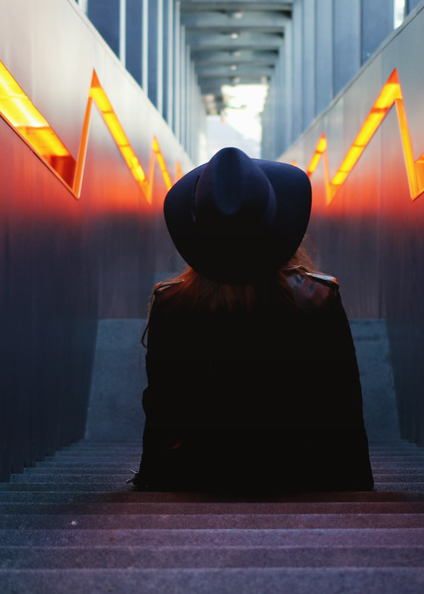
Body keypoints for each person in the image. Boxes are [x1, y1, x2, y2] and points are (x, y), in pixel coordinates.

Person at [132, 147, 373, 492]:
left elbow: (162, 413)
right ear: (274, 221)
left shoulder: (171, 303)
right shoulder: (319, 299)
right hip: (303, 478)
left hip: (197, 479)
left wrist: (152, 488)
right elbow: (344, 408)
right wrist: (358, 492)